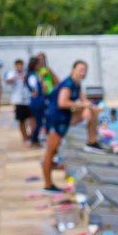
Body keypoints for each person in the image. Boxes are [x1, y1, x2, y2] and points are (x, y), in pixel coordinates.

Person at [40, 60, 91, 191]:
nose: (82, 72)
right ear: (72, 70)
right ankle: (47, 185)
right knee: (50, 152)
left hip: (64, 118)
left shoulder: (77, 84)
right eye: (79, 69)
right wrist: (82, 105)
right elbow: (62, 102)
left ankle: (92, 141)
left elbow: (86, 102)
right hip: (55, 119)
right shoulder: (68, 84)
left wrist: (85, 107)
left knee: (92, 111)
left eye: (84, 70)